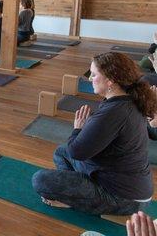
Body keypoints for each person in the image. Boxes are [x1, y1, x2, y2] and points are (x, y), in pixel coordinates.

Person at [32, 52, 157, 215]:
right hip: (129, 185)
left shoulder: (114, 112)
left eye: (94, 74)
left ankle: (72, 200)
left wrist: (78, 128)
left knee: (40, 180)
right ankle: (77, 193)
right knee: (61, 152)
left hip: (124, 198)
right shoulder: (129, 99)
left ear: (110, 80)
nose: (90, 78)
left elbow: (77, 152)